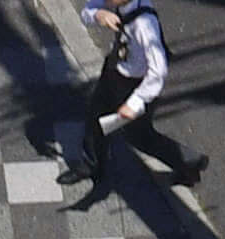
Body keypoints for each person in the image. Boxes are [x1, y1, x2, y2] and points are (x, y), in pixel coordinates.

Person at [63, 0, 210, 202]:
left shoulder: (144, 24)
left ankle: (189, 162)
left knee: (140, 137)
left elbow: (158, 71)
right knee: (95, 117)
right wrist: (98, 15)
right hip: (114, 72)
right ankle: (91, 165)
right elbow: (87, 12)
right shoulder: (117, 4)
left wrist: (134, 103)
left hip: (135, 86)